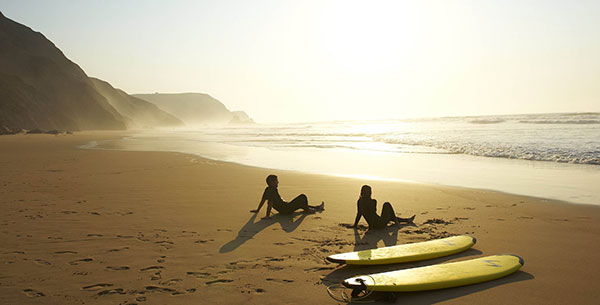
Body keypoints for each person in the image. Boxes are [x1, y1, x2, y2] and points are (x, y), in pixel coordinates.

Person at [251, 174, 324, 218]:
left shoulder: (267, 189)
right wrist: (267, 216)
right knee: (303, 196)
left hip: (284, 209)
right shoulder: (273, 190)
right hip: (286, 209)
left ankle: (317, 207)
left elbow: (263, 200)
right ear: (272, 182)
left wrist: (258, 210)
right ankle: (308, 210)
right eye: (276, 181)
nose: (278, 182)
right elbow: (270, 203)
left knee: (301, 204)